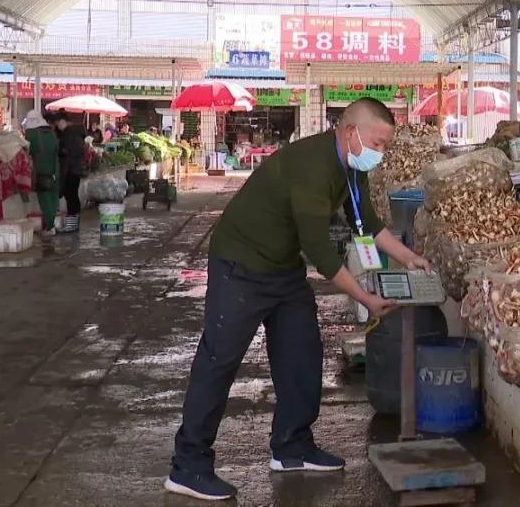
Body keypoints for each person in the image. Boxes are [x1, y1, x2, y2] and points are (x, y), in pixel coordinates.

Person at [166, 97, 430, 501]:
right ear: (349, 132)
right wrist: (366, 298)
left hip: (282, 267)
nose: (379, 153)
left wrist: (410, 258)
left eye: (384, 146)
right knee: (219, 361)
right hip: (241, 263)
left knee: (302, 352)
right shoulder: (312, 166)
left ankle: (292, 446)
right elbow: (321, 253)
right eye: (375, 143)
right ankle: (189, 466)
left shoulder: (348, 167)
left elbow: (365, 222)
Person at [23, 110, 59, 235]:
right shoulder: (51, 132)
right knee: (53, 197)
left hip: (40, 168)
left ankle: (50, 227)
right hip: (55, 167)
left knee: (44, 198)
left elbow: (27, 150)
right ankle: (51, 225)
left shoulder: (31, 132)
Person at [53, 112, 88, 233]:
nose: (57, 126)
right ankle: (74, 224)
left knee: (71, 195)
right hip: (75, 168)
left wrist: (63, 152)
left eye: (57, 123)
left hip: (71, 168)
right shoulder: (75, 132)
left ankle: (72, 225)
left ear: (62, 121)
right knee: (72, 195)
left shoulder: (70, 133)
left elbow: (72, 151)